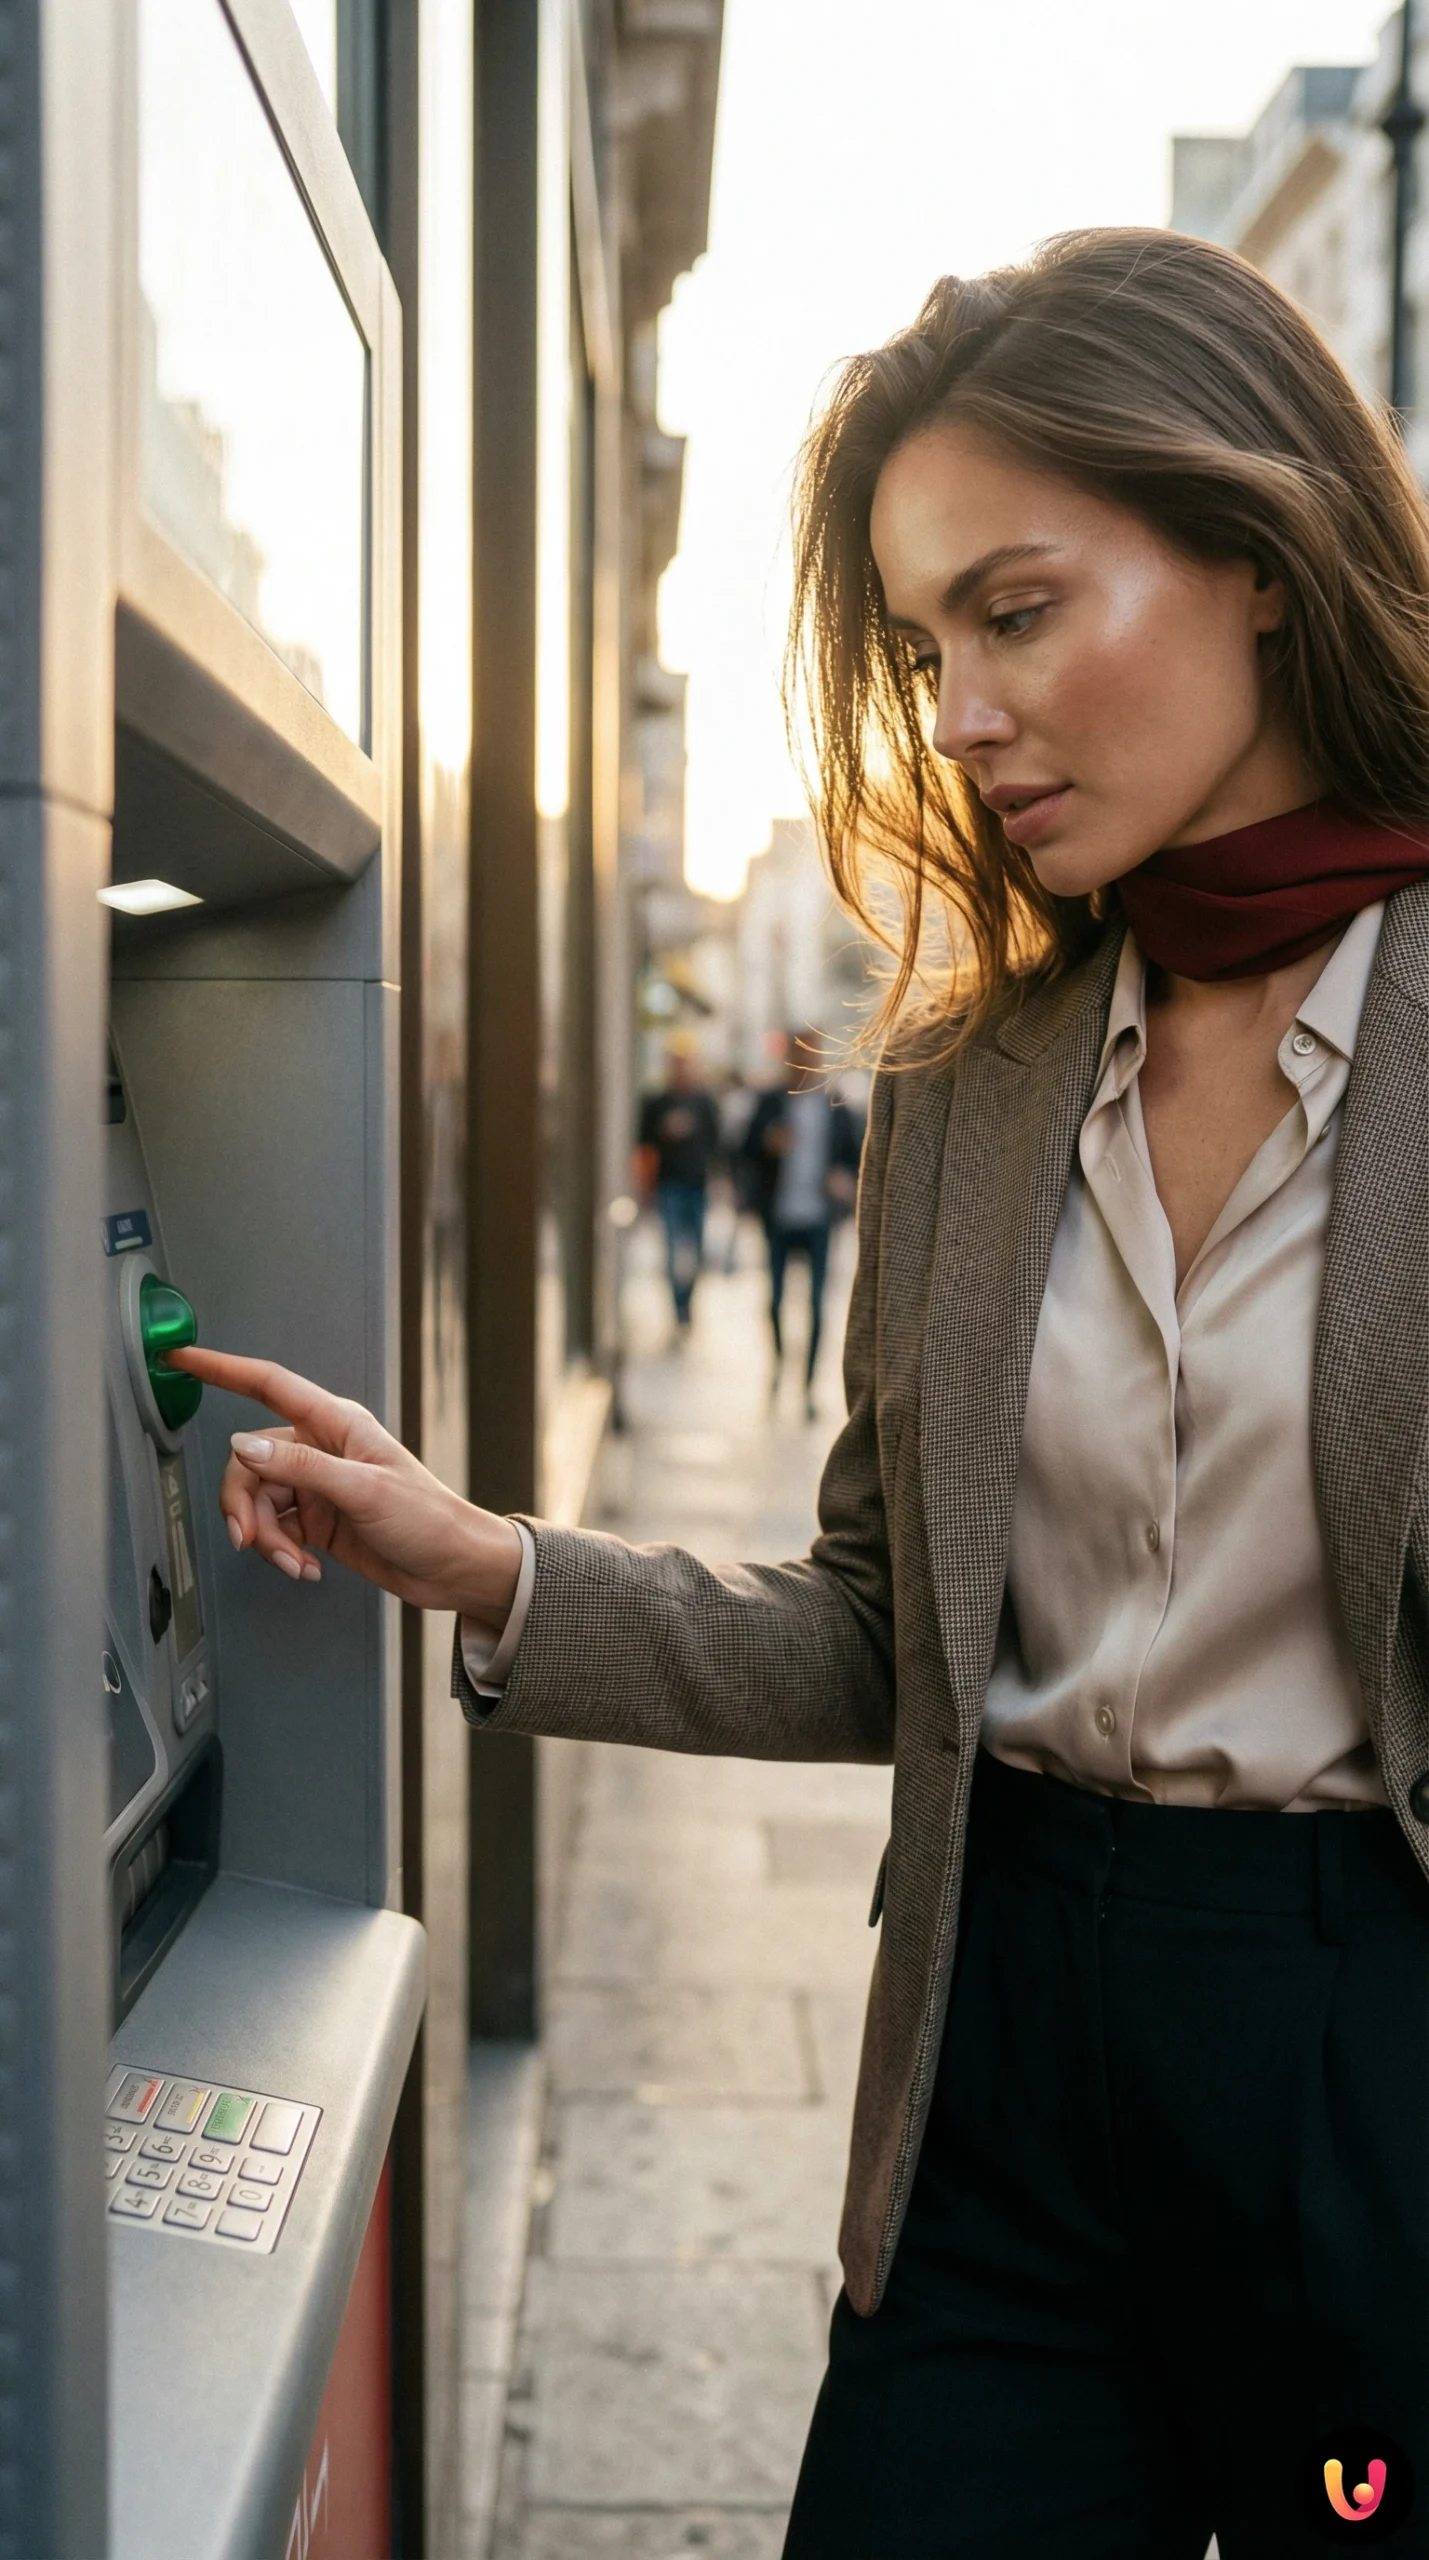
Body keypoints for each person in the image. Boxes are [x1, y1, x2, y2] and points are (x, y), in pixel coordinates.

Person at [175, 229, 1429, 2555]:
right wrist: (488, 1559)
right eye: (921, 642)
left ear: (1259, 555)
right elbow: (880, 1629)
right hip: (1000, 2049)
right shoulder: (975, 1075)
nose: (952, 707)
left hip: (1375, 2043)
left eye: (1016, 609)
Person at [743, 1029, 862, 1416]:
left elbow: (856, 1157)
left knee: (815, 1303)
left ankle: (808, 1385)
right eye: (800, 1054)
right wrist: (767, 1144)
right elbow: (742, 1150)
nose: (807, 1061)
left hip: (819, 1219)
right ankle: (779, 1364)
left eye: (814, 1054)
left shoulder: (835, 1105)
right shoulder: (770, 1103)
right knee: (775, 1299)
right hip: (779, 1217)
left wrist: (843, 1179)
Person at [633, 1044, 719, 1331]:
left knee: (695, 1251)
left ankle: (688, 1302)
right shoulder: (657, 1103)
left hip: (697, 1185)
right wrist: (646, 1188)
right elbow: (643, 1148)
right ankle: (677, 1308)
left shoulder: (703, 1102)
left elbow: (715, 1144)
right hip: (668, 1186)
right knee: (671, 1252)